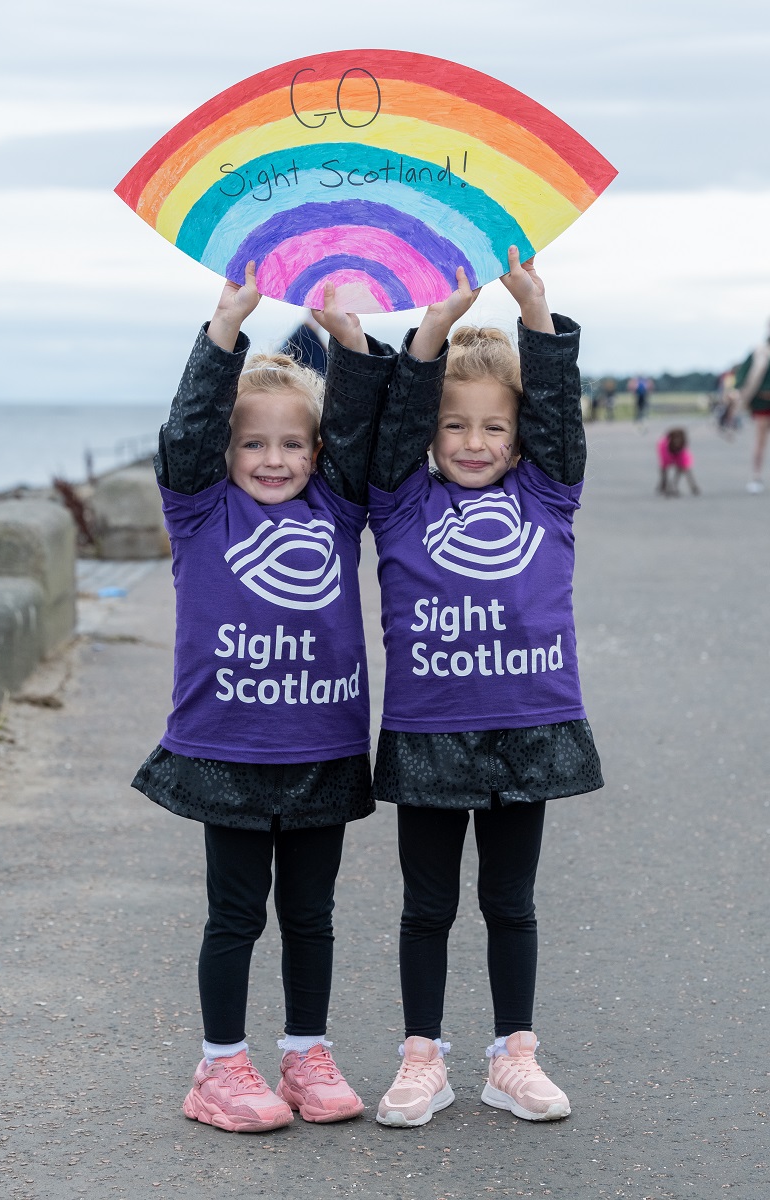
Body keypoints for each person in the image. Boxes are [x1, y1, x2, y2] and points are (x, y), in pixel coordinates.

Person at [131, 262, 425, 1133]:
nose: (273, 459)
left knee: (311, 913)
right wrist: (227, 326)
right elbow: (186, 431)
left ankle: (306, 1051)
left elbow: (364, 421)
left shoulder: (338, 509)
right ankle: (220, 1067)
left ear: (316, 453)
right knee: (235, 914)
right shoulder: (199, 512)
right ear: (226, 455)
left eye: (292, 444)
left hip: (321, 748)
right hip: (230, 747)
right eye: (253, 444)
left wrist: (349, 342)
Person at [367, 247, 603, 1128]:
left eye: (494, 428)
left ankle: (515, 1054)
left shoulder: (550, 495)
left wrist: (531, 308)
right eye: (455, 427)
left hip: (529, 729)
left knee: (511, 903)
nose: (474, 443)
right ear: (431, 434)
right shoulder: (398, 503)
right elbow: (388, 432)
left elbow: (558, 417)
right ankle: (422, 1058)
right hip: (430, 734)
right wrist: (435, 322)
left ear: (519, 436)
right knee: (427, 906)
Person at [731, 322, 770, 492]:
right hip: (761, 402)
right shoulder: (759, 351)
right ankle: (756, 476)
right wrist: (736, 391)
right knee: (760, 440)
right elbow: (743, 375)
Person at [656, 427, 699, 496]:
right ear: (669, 438)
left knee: (682, 467)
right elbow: (663, 466)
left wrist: (693, 485)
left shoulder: (683, 450)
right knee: (664, 468)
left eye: (679, 438)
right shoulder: (663, 446)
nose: (676, 440)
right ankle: (664, 483)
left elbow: (686, 468)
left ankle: (675, 485)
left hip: (679, 453)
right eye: (674, 438)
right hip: (668, 452)